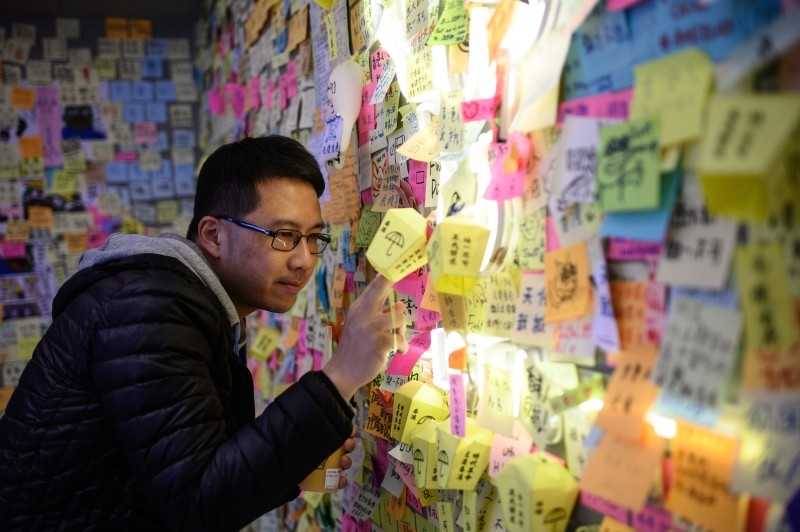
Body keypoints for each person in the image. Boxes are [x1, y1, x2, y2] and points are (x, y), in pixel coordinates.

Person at [0, 135, 409, 530]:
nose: (304, 260)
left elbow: (191, 471)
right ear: (213, 234)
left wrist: (293, 462)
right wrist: (340, 375)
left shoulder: (186, 305)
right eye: (284, 236)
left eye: (313, 237)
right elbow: (197, 504)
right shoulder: (148, 308)